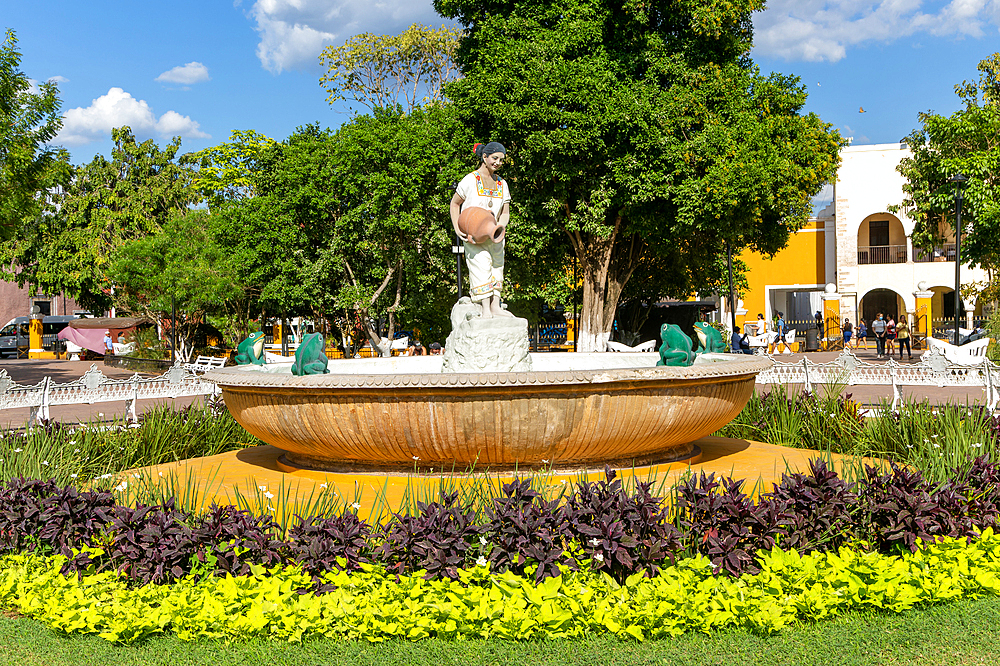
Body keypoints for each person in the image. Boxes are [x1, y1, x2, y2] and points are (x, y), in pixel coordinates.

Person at [450, 142, 513, 320]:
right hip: (474, 235)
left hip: (496, 235)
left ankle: (495, 305)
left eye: (501, 160)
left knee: (497, 266)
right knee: (481, 265)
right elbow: (455, 204)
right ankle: (485, 307)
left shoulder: (502, 183)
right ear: (484, 157)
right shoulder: (470, 180)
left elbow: (505, 212)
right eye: (495, 158)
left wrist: (500, 226)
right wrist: (457, 226)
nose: (498, 162)